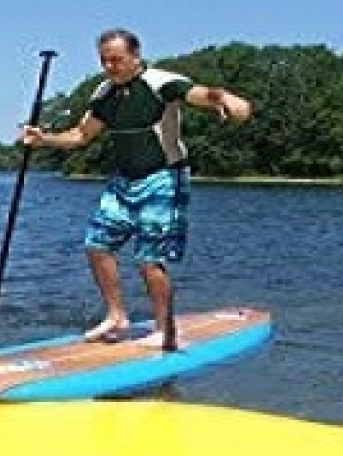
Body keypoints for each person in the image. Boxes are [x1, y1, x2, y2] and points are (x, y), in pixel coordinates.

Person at [20, 28, 252, 350]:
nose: (109, 67)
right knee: (96, 245)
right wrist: (43, 138)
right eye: (104, 61)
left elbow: (200, 94)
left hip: (164, 178)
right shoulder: (104, 93)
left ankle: (164, 330)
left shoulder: (159, 82)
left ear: (135, 57)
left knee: (149, 259)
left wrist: (224, 98)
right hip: (124, 181)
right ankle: (116, 316)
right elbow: (81, 135)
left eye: (116, 60)